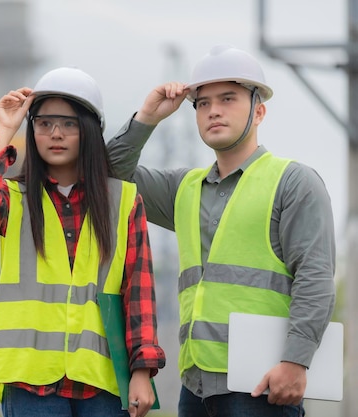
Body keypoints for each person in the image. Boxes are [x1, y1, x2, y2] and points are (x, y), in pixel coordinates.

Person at [106, 45, 336, 417]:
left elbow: (315, 277)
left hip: (263, 385)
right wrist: (147, 118)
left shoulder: (293, 182)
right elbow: (109, 175)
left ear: (259, 111)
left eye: (228, 99)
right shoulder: (185, 189)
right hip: (195, 386)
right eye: (202, 103)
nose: (213, 110)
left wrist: (296, 361)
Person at [0, 67, 166, 417]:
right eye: (43, 124)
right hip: (28, 381)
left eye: (69, 124)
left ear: (89, 131)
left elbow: (139, 292)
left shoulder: (124, 201)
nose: (56, 134)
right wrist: (6, 128)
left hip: (100, 380)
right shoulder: (14, 199)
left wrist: (142, 371)